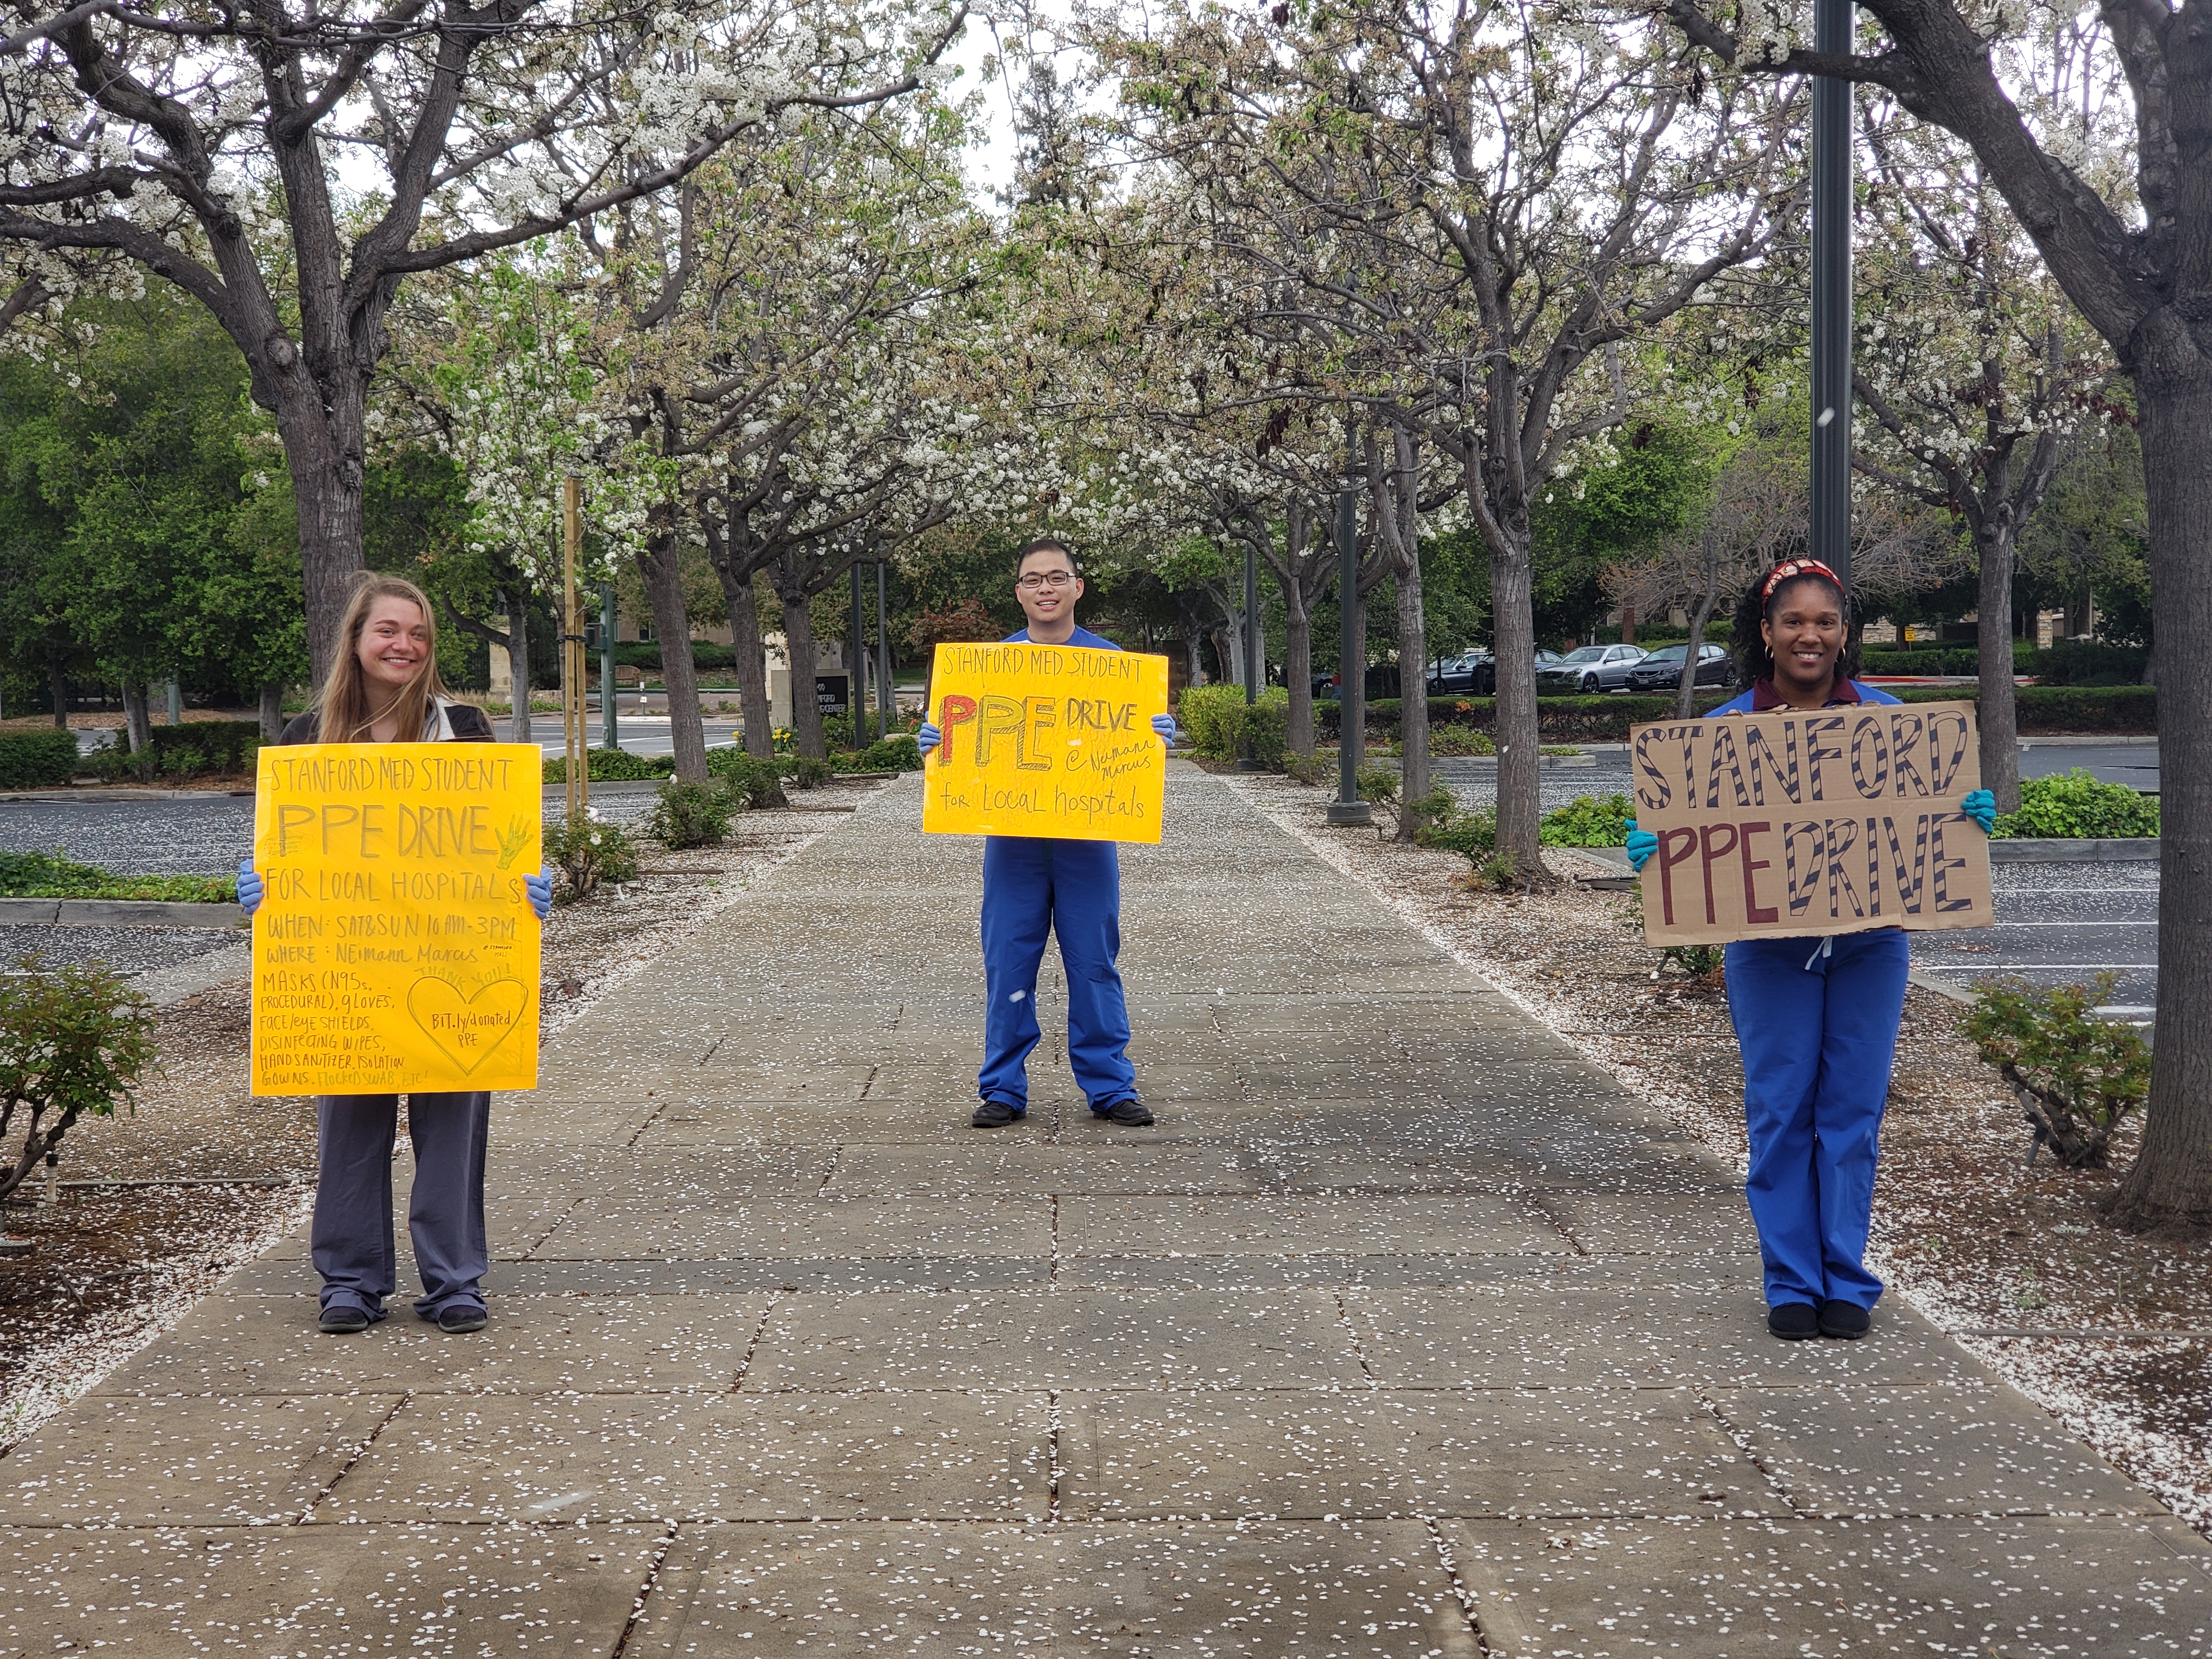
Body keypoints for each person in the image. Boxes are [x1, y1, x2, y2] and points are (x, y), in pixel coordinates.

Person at [1625, 558, 1996, 1341]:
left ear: (1844, 634)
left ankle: (1846, 1281)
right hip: (1767, 951)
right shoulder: (1724, 735)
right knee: (1780, 1112)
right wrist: (1658, 853)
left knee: (1852, 1113)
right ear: (1766, 633)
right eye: (1794, 620)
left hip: (1871, 946)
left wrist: (1962, 818)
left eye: (1825, 621)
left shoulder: (1893, 725)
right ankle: (1792, 1281)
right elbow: (1696, 840)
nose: (1810, 635)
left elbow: (1926, 821)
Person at [237, 575, 554, 1336]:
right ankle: (350, 1279)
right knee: (348, 1123)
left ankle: (454, 1282)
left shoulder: (464, 728)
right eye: (388, 631)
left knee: (453, 1123)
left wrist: (529, 887)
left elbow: (493, 837)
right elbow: (285, 846)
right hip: (346, 964)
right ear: (355, 640)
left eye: (418, 634)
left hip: (453, 961)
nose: (404, 645)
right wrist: (260, 887)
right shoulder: (308, 739)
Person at [916, 539, 1178, 1129]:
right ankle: (1003, 1088)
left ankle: (1111, 1086)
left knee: (1094, 962)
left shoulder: (1115, 667)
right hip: (1012, 839)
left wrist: (1156, 737)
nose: (1045, 589)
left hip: (1088, 838)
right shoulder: (988, 669)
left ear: (1077, 588)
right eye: (1033, 580)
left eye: (1056, 578)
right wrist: (937, 745)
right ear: (1019, 593)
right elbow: (959, 738)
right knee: (1008, 960)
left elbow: (1133, 747)